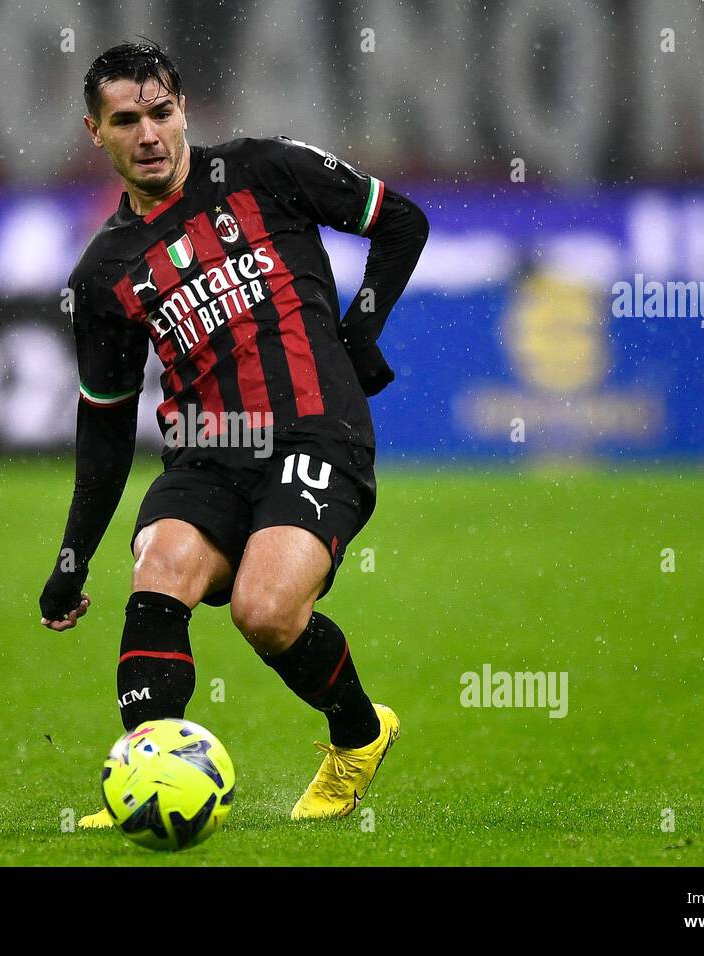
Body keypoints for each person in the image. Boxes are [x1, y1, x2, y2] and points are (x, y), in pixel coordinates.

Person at [39, 40, 429, 826]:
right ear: (96, 131)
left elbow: (400, 223)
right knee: (160, 564)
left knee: (264, 610)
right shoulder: (103, 274)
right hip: (207, 455)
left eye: (160, 113)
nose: (147, 134)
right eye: (126, 120)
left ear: (183, 108)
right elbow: (106, 433)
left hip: (318, 431)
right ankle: (148, 786)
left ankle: (358, 734)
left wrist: (361, 327)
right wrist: (71, 558)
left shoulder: (266, 170)